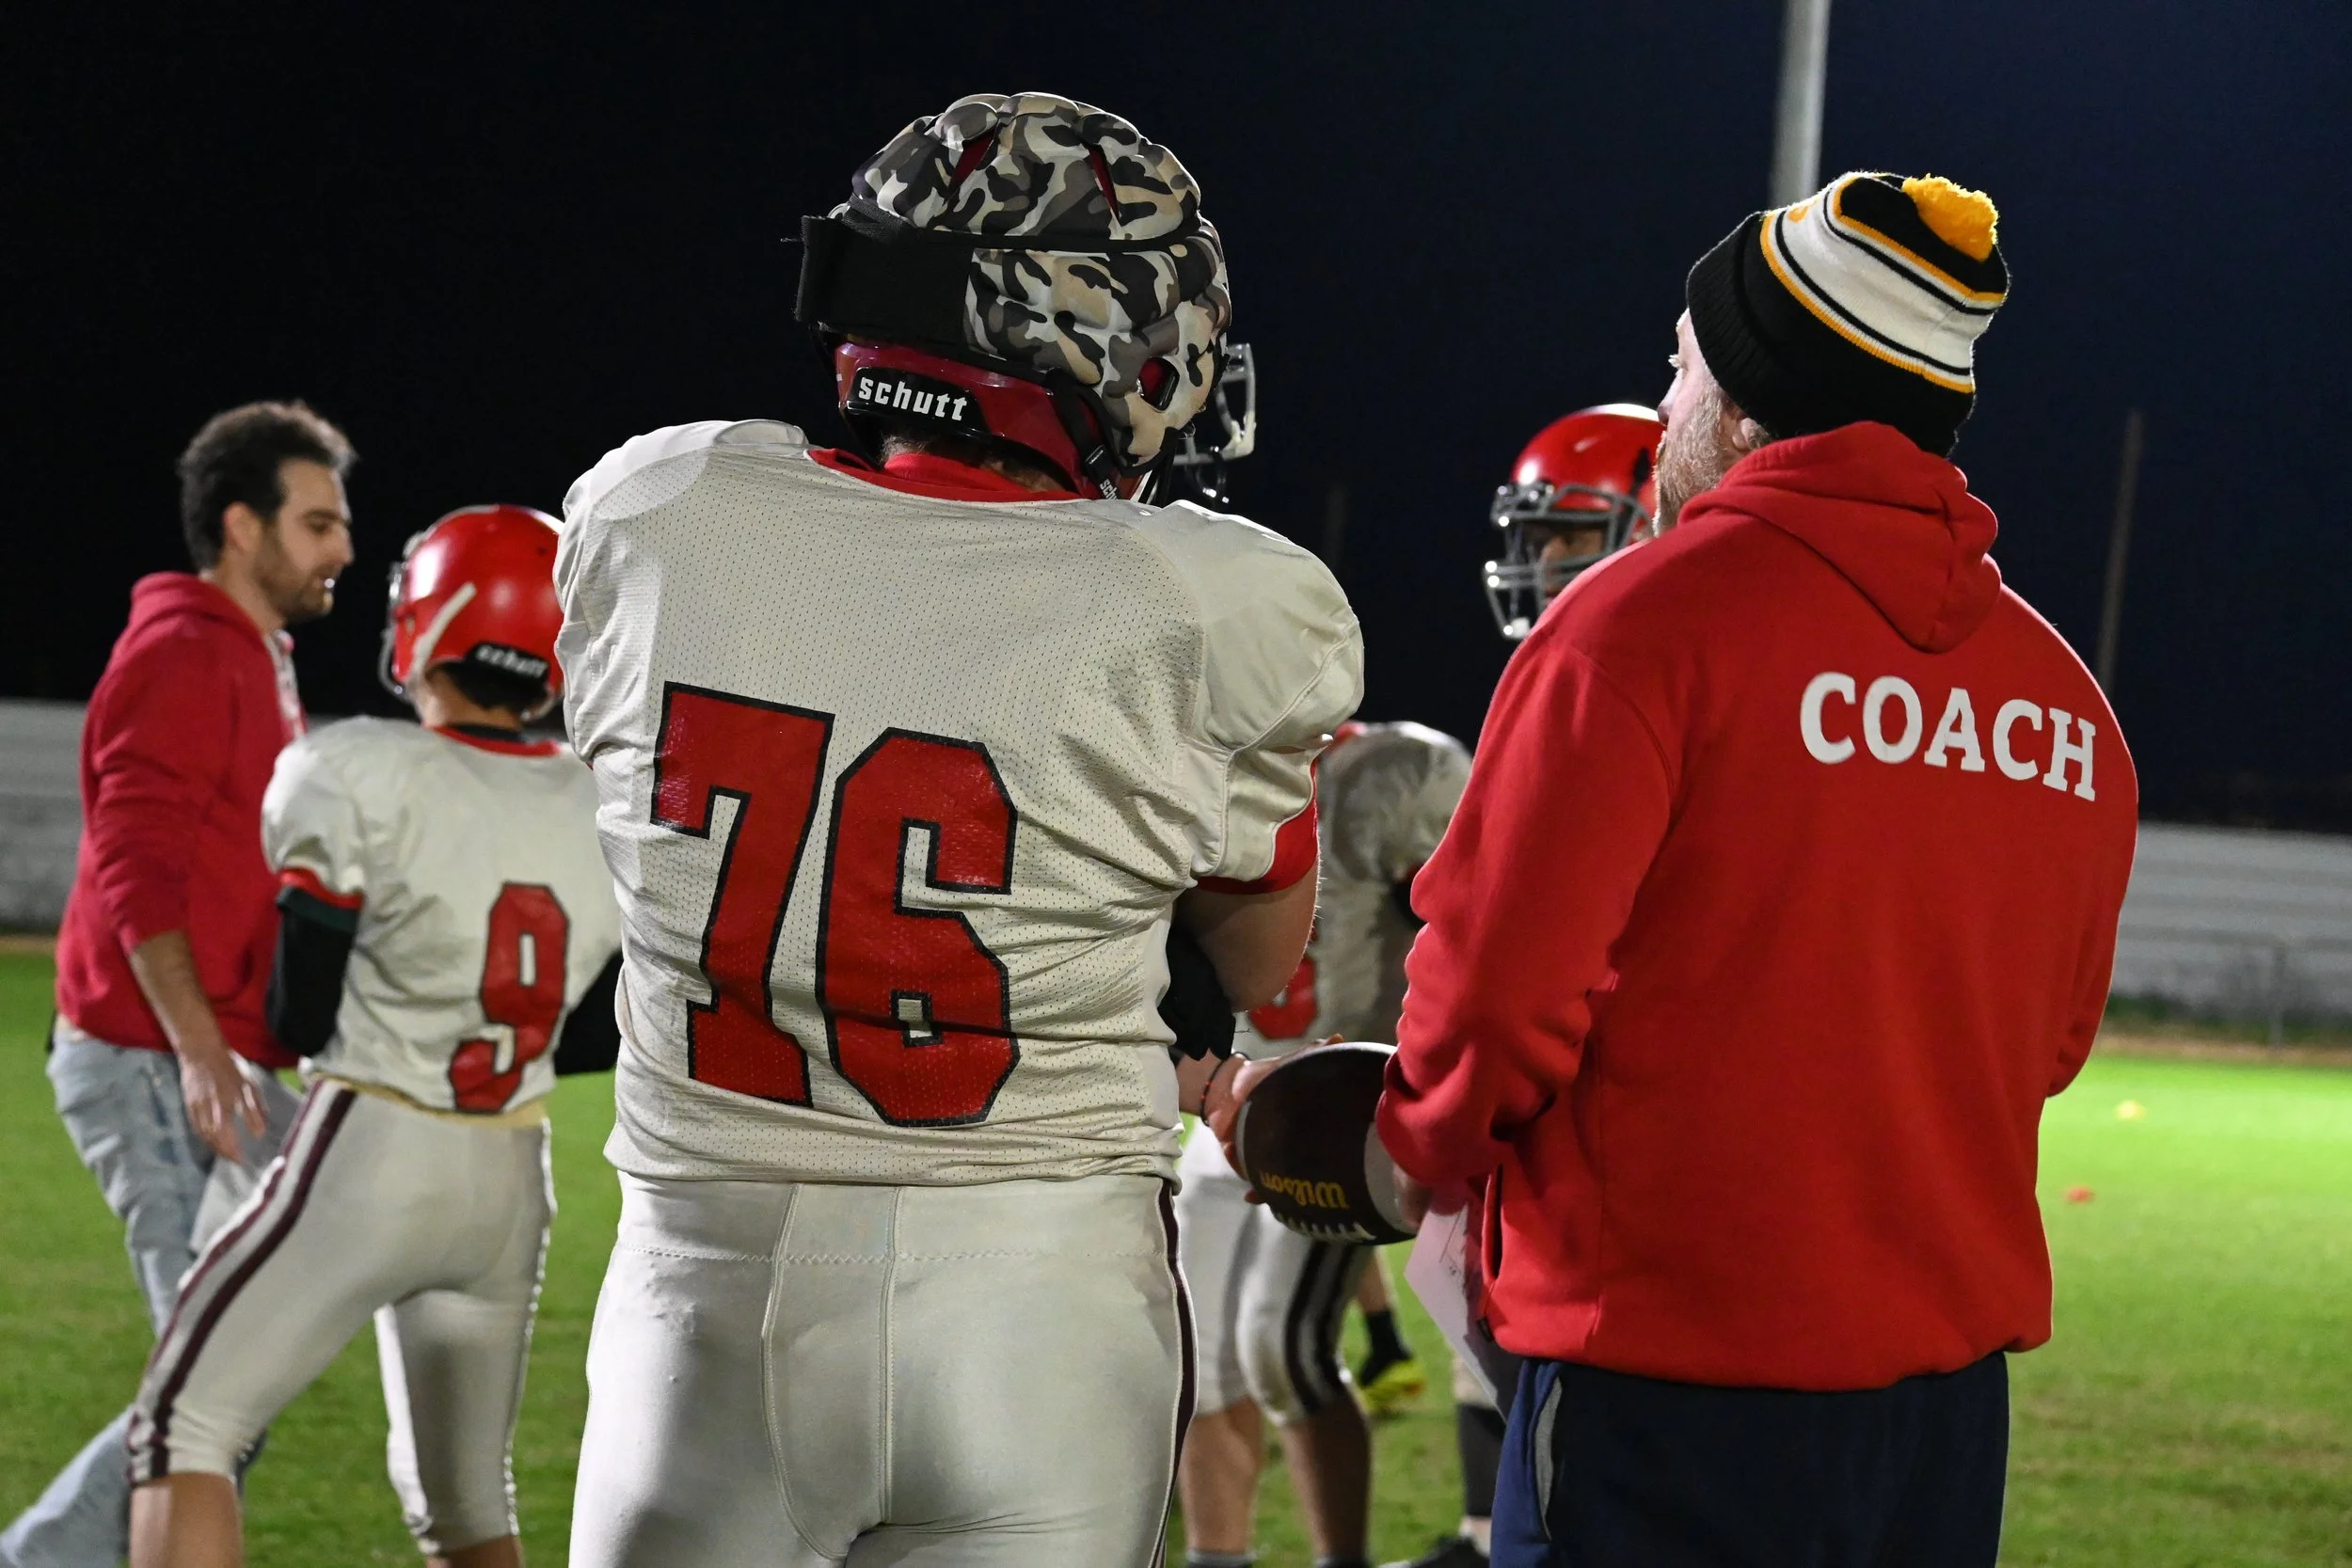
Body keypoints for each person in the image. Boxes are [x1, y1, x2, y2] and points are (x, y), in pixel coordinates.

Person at [556, 91, 1360, 1568]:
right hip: (1034, 1303)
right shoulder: (1211, 598)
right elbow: (1256, 955)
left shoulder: (653, 504)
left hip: (698, 1307)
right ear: (1097, 326)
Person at [1371, 172, 2138, 1566]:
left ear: (1746, 395)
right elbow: (2053, 1044)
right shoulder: (2070, 704)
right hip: (1943, 1415)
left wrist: (1405, 1149)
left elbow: (1492, 997)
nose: (1662, 411)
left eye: (1678, 369)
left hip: (1666, 1389)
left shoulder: (1635, 628)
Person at [127, 505, 624, 1568]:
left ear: (428, 618)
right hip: (511, 1168)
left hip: (379, 1140)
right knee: (467, 1508)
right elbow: (594, 1035)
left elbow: (299, 1012)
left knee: (186, 1423)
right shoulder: (598, 802)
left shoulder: (356, 769)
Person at [3, 401, 353, 1568]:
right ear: (243, 526)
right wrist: (205, 1049)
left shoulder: (250, 654)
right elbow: (132, 859)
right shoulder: (185, 652)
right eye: (316, 522)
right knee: (206, 1397)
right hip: (157, 1062)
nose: (341, 545)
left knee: (225, 1381)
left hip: (209, 1058)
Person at [1385, 405, 1661, 1568]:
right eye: (1538, 536)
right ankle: (1478, 1523)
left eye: (1568, 536)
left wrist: (1425, 1130)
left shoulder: (1630, 662)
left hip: (1615, 1134)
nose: (1540, 563)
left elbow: (1507, 962)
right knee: (1469, 1286)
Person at [1176, 720, 1470, 1568]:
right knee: (1200, 1359)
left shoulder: (1396, 767)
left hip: (1342, 1110)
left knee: (1283, 1350)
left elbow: (1471, 930)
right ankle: (1216, 1555)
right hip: (1229, 1090)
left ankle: (1340, 1558)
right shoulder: (1191, 761)